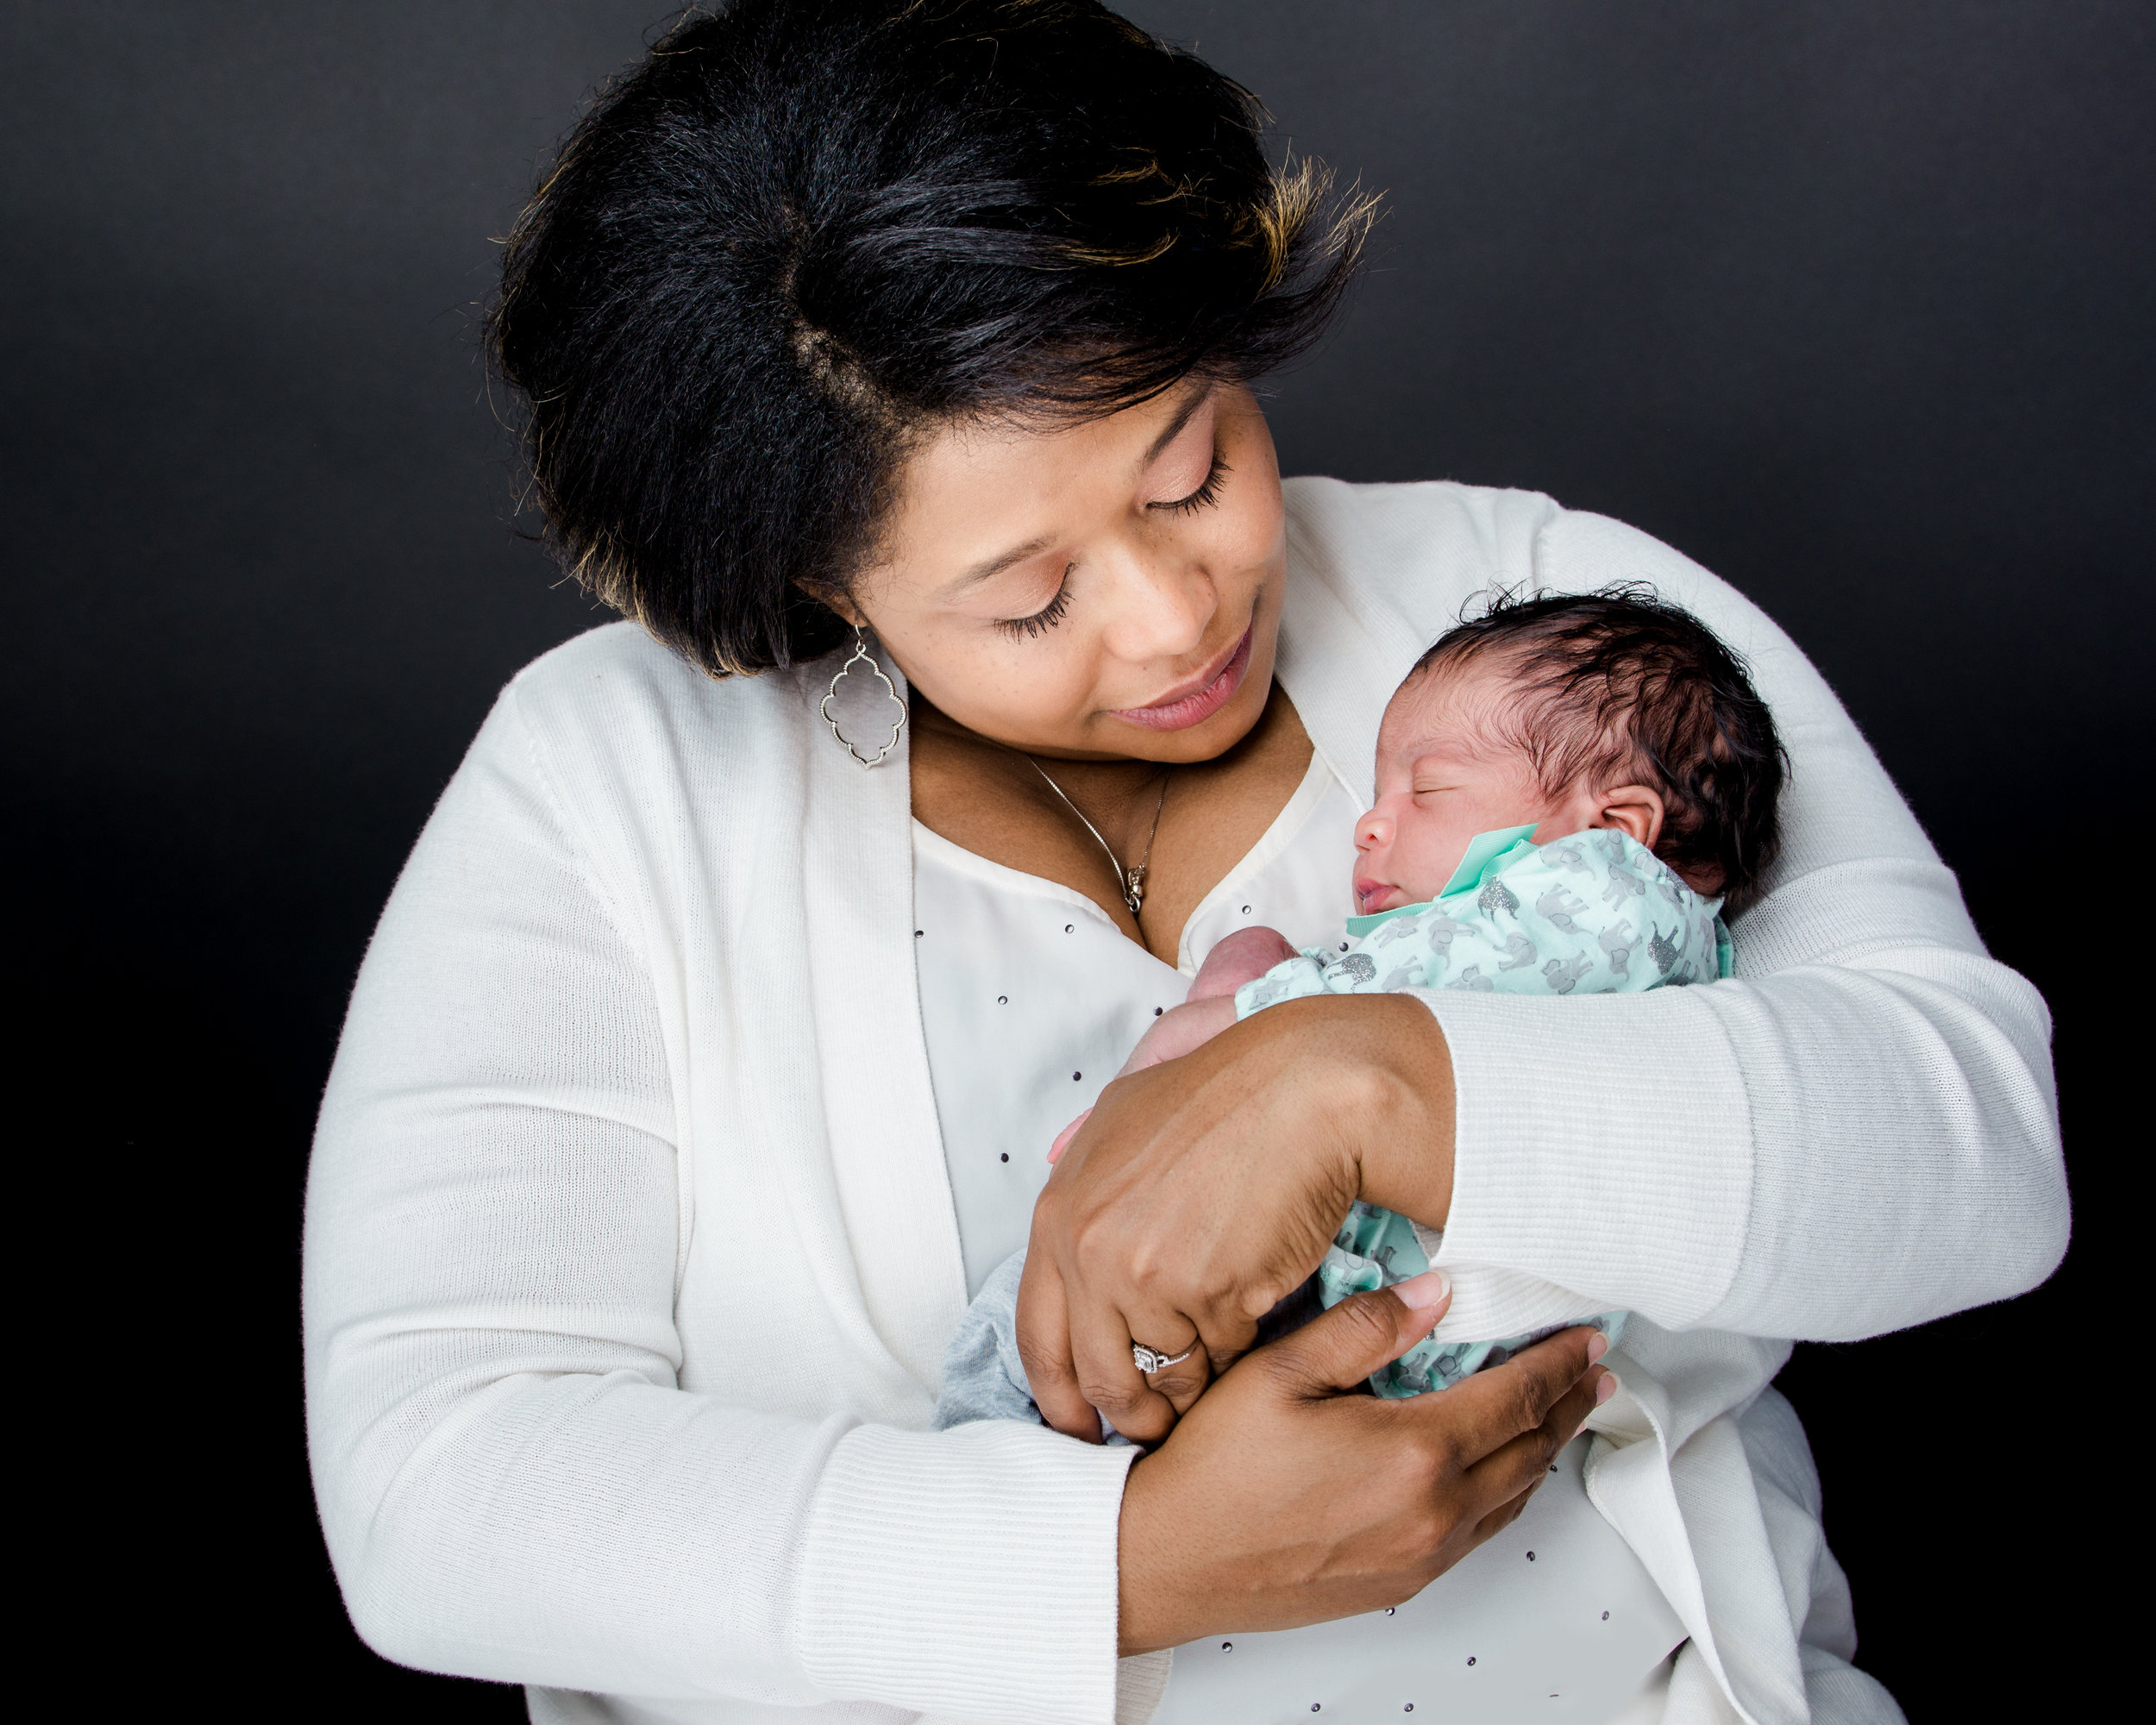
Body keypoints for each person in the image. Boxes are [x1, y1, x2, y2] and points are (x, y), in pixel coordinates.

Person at [302, 5, 2066, 1723]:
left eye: (1189, 467)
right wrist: (1125, 1561)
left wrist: (1370, 1085)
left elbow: (1973, 1150)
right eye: (1023, 598)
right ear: (820, 587)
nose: (1170, 620)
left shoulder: (1542, 631)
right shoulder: (608, 782)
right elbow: (439, 1480)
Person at [937, 586, 1766, 1427]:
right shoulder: (1665, 957)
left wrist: (1217, 1029)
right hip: (1419, 1341)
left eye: (1430, 788)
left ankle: (991, 1444)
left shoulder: (1614, 900)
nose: (1370, 823)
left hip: (1354, 1289)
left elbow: (1366, 1003)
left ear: (1614, 824)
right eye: (1377, 791)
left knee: (1052, 1341)